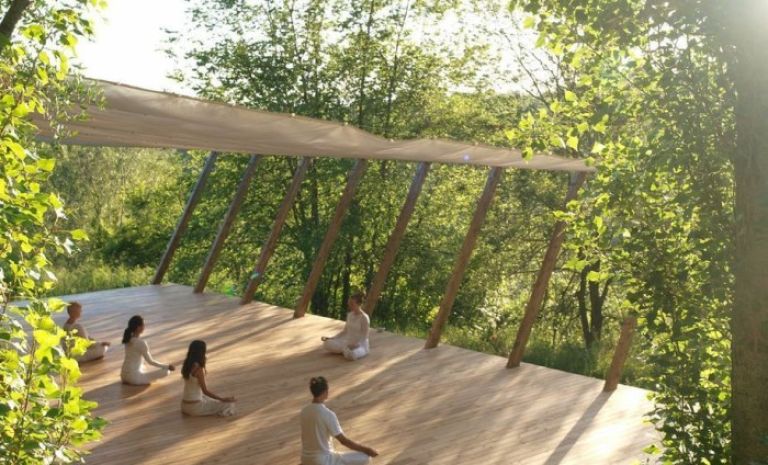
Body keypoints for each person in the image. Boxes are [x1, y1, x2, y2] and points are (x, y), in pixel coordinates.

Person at [300, 376, 378, 465]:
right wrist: (367, 450)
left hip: (305, 459)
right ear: (326, 392)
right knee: (365, 457)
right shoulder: (328, 414)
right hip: (323, 461)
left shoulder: (304, 411)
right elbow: (344, 441)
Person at [180, 340, 236, 417]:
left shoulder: (186, 365)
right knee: (229, 404)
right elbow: (205, 391)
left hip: (184, 405)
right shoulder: (198, 370)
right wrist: (222, 399)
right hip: (195, 408)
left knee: (206, 398)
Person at [120, 315, 175, 385]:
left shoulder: (127, 340)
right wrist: (167, 366)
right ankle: (137, 380)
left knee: (143, 367)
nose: (144, 327)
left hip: (123, 375)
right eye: (143, 325)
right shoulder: (141, 343)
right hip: (134, 378)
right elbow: (150, 362)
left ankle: (131, 379)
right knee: (166, 371)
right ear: (138, 328)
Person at [321, 293, 370, 361]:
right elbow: (345, 331)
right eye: (349, 303)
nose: (349, 305)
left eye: (352, 303)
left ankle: (345, 350)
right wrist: (333, 338)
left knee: (351, 355)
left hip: (360, 345)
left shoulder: (364, 318)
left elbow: (364, 337)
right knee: (326, 343)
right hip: (347, 342)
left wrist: (355, 345)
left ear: (359, 304)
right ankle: (345, 350)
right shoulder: (349, 315)